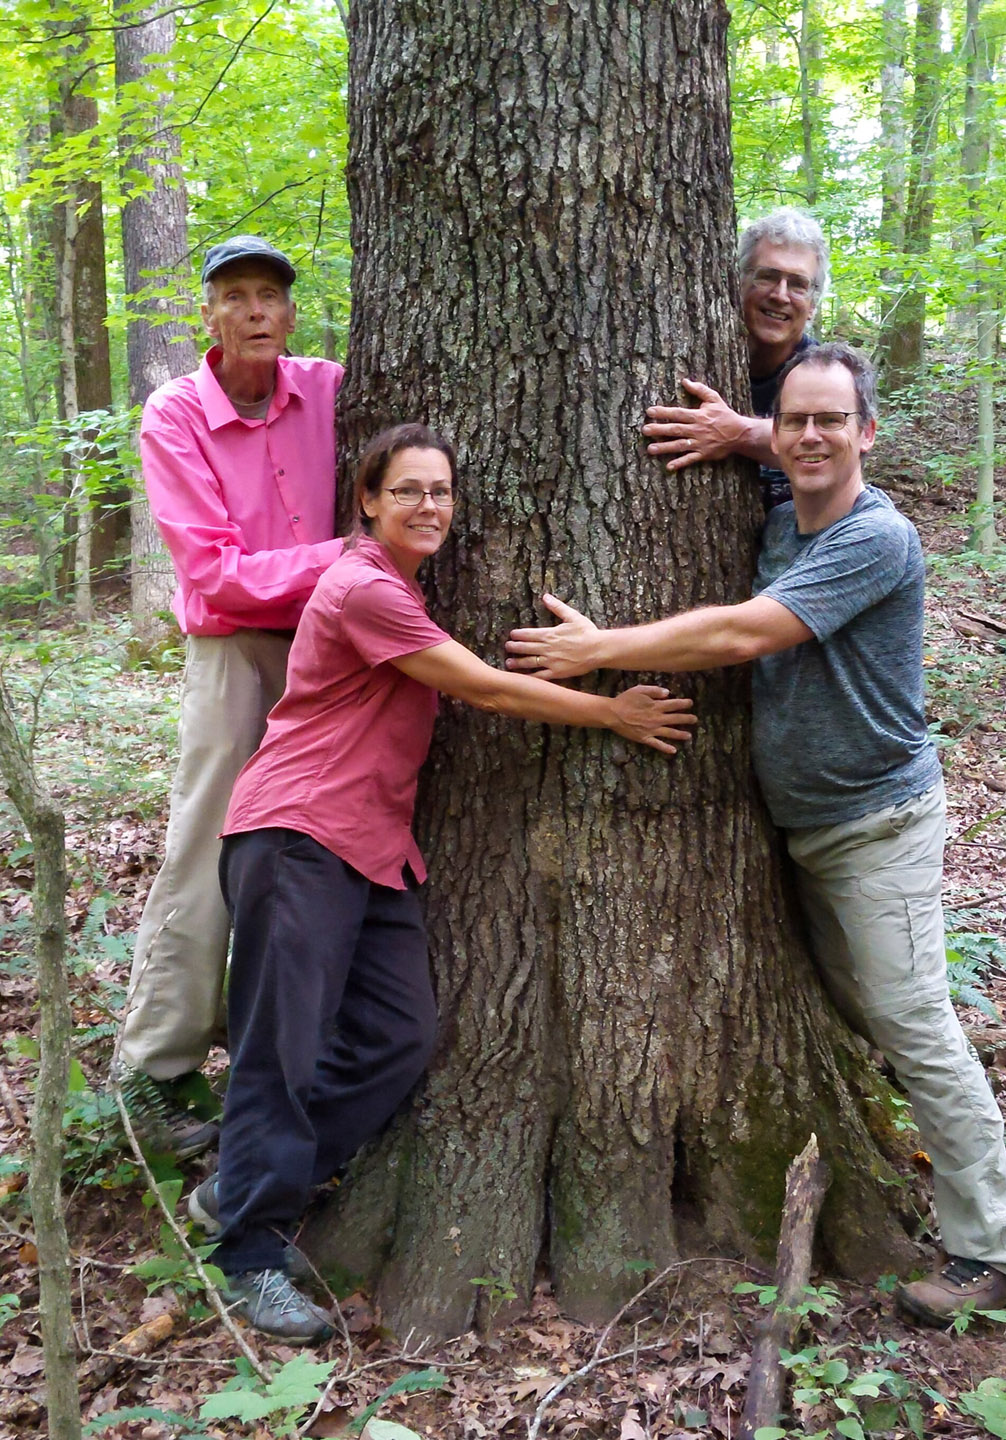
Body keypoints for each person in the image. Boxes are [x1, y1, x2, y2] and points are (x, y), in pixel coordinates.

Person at [507, 344, 1006, 1327]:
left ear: (869, 433)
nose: (809, 436)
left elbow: (742, 634)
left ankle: (1000, 1248)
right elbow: (791, 446)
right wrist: (740, 432)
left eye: (832, 420)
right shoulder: (782, 509)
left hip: (877, 825)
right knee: (864, 1016)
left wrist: (598, 650)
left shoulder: (875, 538)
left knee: (914, 1025)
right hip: (803, 829)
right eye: (793, 419)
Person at [184, 423, 697, 1343]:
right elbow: (486, 688)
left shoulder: (399, 588)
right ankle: (249, 1251)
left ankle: (244, 1184)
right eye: (408, 490)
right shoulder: (364, 587)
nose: (429, 505)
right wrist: (611, 712)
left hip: (372, 847)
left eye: (441, 491)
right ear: (367, 501)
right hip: (298, 834)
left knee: (397, 1034)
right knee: (283, 1047)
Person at [115, 236, 345, 1157]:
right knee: (209, 841)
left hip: (336, 647)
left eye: (270, 296)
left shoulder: (329, 389)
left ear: (290, 313)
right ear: (207, 314)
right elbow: (215, 576)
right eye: (236, 295)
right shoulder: (176, 414)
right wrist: (345, 558)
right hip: (233, 654)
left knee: (324, 844)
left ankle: (306, 1051)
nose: (255, 311)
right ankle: (157, 1067)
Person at [642, 206, 828, 510]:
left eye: (798, 284)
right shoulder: (690, 352)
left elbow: (839, 444)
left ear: (812, 305)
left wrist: (737, 433)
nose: (780, 295)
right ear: (736, 282)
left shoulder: (824, 372)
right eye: (767, 276)